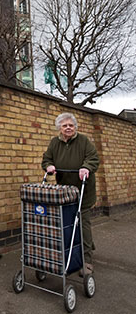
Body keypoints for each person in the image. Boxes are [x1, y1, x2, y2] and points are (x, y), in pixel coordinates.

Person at [41, 112, 100, 274]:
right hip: (64, 192)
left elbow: (93, 158)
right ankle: (68, 252)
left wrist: (86, 167)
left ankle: (87, 260)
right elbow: (46, 159)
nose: (68, 128)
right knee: (66, 223)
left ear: (75, 127)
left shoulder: (84, 141)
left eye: (71, 125)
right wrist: (49, 166)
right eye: (65, 125)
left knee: (82, 223)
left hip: (83, 191)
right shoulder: (55, 143)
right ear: (59, 128)